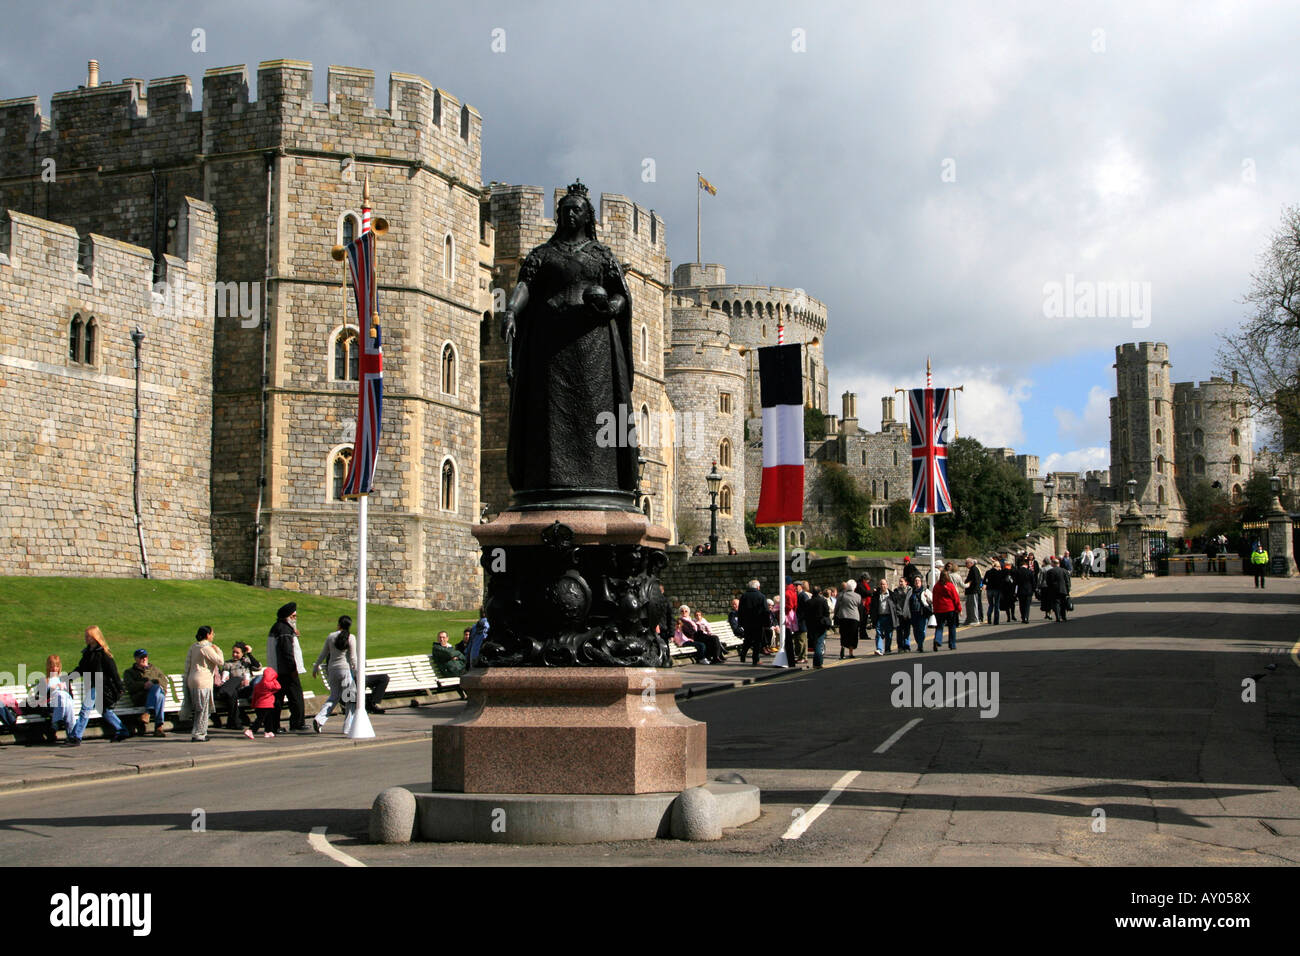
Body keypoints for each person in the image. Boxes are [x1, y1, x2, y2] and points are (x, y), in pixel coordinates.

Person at [500, 180, 639, 501]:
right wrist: (510, 310)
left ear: (587, 215)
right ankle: (547, 481)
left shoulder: (601, 255)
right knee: (548, 414)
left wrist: (611, 306)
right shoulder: (543, 254)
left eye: (575, 210)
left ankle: (601, 482)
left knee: (594, 414)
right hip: (549, 347)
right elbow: (525, 287)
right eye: (564, 211)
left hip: (593, 348)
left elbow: (621, 295)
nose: (569, 215)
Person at [66, 626, 127, 746]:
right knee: (105, 711)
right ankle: (122, 730)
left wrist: (120, 687)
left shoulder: (103, 654)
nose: (85, 638)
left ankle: (76, 736)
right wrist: (67, 678)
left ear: (94, 637)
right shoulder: (87, 653)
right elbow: (81, 669)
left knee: (85, 709)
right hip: (94, 685)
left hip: (102, 686)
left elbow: (113, 672)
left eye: (88, 636)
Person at [313, 616, 358, 732]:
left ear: (339, 624)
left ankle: (319, 719)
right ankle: (348, 727)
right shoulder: (351, 637)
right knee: (350, 699)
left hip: (332, 670)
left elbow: (323, 654)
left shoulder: (331, 636)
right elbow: (353, 658)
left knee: (334, 696)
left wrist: (315, 666)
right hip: (345, 670)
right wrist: (357, 670)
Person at [268, 603, 308, 734]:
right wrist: (293, 669)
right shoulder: (284, 630)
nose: (295, 619)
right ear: (288, 617)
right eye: (294, 616)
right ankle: (297, 723)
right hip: (286, 670)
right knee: (295, 697)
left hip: (277, 670)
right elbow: (287, 652)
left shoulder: (278, 628)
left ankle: (274, 725)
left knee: (277, 699)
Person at [184, 626, 224, 742]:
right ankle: (200, 734)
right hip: (203, 681)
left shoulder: (193, 646)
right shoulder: (206, 647)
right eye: (212, 633)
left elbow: (187, 664)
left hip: (192, 680)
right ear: (207, 635)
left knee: (198, 709)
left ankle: (198, 732)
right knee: (203, 709)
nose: (213, 635)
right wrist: (218, 650)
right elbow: (220, 661)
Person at [122, 648, 169, 738]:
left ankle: (148, 712)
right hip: (140, 697)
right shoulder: (129, 672)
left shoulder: (155, 669)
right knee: (159, 695)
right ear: (136, 659)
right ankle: (158, 727)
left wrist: (152, 683)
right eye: (141, 658)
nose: (144, 659)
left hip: (155, 697)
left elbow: (164, 682)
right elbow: (130, 686)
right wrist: (144, 685)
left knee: (158, 692)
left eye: (145, 657)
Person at [214, 642, 259, 732]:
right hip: (235, 689)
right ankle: (235, 722)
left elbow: (257, 667)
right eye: (233, 652)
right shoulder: (228, 664)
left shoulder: (246, 661)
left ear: (243, 653)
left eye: (237, 653)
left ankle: (233, 722)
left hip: (247, 690)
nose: (234, 654)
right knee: (232, 694)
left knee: (236, 694)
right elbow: (225, 680)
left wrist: (249, 654)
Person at [31, 655, 76, 744]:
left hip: (65, 704)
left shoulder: (64, 679)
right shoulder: (45, 680)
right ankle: (71, 735)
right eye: (52, 666)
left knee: (63, 697)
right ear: (48, 667)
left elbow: (71, 696)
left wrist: (63, 690)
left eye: (57, 666)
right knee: (61, 698)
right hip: (50, 706)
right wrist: (52, 690)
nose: (55, 668)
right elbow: (40, 699)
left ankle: (55, 725)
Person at [737, 580, 769, 667]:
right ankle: (755, 659)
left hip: (747, 623)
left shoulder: (744, 596)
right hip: (758, 622)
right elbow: (766, 611)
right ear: (758, 587)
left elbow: (740, 611)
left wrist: (740, 623)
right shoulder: (761, 596)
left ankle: (743, 654)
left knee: (748, 640)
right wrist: (767, 623)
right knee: (757, 642)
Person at [932, 570, 962, 650]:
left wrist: (934, 609)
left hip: (939, 609)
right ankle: (952, 644)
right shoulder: (950, 585)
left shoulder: (936, 586)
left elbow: (934, 599)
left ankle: (937, 640)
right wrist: (959, 608)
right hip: (950, 609)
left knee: (939, 626)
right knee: (952, 627)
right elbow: (955, 598)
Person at [804, 584, 832, 669]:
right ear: (820, 592)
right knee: (819, 644)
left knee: (816, 643)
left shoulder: (808, 602)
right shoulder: (823, 601)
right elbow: (827, 613)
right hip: (821, 625)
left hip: (811, 626)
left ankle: (816, 663)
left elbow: (806, 614)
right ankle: (818, 663)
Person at [249, 666, 280, 738]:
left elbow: (255, 696)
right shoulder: (271, 684)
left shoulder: (258, 685)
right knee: (261, 719)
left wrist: (253, 705)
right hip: (267, 704)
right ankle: (251, 730)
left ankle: (268, 731)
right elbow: (278, 687)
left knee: (267, 718)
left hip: (259, 704)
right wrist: (274, 679)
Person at [835, 580, 862, 659]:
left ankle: (843, 647)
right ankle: (851, 652)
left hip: (843, 617)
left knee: (844, 634)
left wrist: (836, 614)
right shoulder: (858, 596)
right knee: (853, 635)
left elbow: (837, 606)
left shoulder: (841, 595)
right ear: (854, 587)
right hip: (854, 618)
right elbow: (860, 607)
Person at [1042, 557, 1071, 621]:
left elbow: (1048, 582)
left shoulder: (1050, 571)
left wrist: (1050, 588)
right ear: (1059, 564)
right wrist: (1068, 590)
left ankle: (1057, 617)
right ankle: (1064, 617)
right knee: (1063, 603)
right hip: (1063, 589)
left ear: (1053, 564)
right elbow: (1067, 581)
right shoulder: (1064, 571)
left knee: (1056, 603)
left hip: (1054, 590)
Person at [907, 578, 932, 651]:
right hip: (913, 613)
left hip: (922, 613)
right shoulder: (911, 591)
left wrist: (927, 597)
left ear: (921, 582)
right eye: (915, 581)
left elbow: (932, 600)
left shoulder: (925, 591)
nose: (917, 582)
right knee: (915, 630)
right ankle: (919, 643)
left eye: (918, 581)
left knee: (921, 629)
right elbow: (908, 602)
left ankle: (920, 645)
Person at [875, 577, 898, 654]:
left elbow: (895, 606)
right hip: (880, 616)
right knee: (878, 632)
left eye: (884, 584)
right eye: (881, 584)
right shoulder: (876, 595)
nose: (882, 586)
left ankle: (887, 649)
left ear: (887, 585)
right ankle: (879, 649)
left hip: (889, 616)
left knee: (889, 633)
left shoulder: (892, 594)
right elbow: (873, 606)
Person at [963, 559, 984, 626]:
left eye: (967, 563)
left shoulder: (974, 569)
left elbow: (975, 580)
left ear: (971, 563)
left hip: (973, 590)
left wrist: (969, 583)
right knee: (969, 606)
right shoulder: (972, 569)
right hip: (970, 591)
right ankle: (969, 619)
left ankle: (975, 619)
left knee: (974, 605)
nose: (965, 565)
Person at [1016, 559, 1036, 623]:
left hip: (1020, 590)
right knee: (1027, 605)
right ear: (1026, 565)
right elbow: (1033, 582)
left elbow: (1015, 582)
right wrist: (1034, 589)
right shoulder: (1030, 572)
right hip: (1028, 590)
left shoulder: (1018, 572)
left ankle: (1022, 616)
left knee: (1021, 605)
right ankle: (1026, 617)